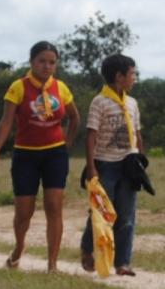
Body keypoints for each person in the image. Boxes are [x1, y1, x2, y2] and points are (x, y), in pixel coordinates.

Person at [0, 41, 79, 272]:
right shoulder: (18, 87)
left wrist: (66, 144)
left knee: (54, 207)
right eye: (42, 61)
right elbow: (6, 121)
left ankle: (52, 265)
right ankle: (19, 248)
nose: (46, 66)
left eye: (52, 62)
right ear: (31, 62)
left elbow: (74, 118)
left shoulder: (61, 87)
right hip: (26, 155)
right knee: (24, 212)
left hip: (55, 154)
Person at [80, 54, 142, 277]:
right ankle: (88, 248)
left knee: (127, 215)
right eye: (132, 73)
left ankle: (122, 262)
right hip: (105, 164)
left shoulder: (132, 103)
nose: (134, 78)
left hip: (129, 164)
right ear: (119, 76)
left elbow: (137, 132)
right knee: (102, 212)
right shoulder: (99, 101)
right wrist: (91, 167)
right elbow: (91, 136)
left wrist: (141, 161)